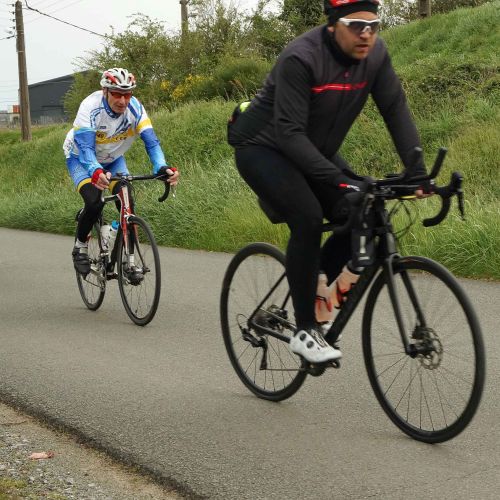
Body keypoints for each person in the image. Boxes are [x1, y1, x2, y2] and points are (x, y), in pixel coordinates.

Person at [227, 0, 429, 364]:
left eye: (374, 25)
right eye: (356, 25)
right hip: (264, 149)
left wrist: (417, 171)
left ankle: (314, 288)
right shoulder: (301, 58)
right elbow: (289, 134)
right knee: (306, 216)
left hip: (314, 150)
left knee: (361, 210)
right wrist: (340, 180)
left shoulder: (375, 55)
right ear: (334, 24)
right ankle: (305, 329)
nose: (366, 34)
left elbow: (395, 108)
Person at [63, 67, 179, 276]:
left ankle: (129, 262)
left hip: (113, 159)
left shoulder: (136, 109)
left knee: (127, 201)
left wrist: (162, 167)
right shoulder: (90, 107)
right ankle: (80, 247)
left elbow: (152, 143)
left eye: (127, 94)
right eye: (117, 94)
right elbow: (87, 149)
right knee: (94, 201)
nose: (123, 101)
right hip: (80, 157)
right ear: (105, 91)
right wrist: (95, 171)